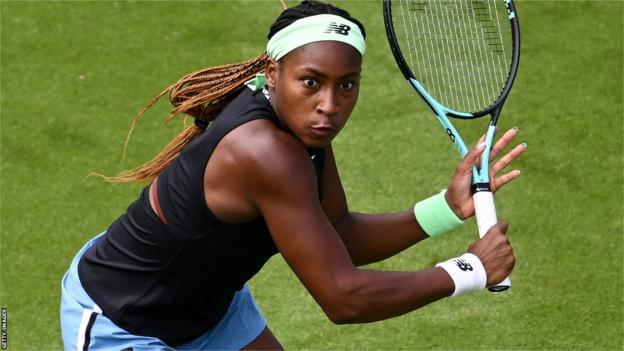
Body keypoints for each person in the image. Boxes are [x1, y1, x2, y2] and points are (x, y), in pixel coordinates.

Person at [60, 1, 525, 349]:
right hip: (123, 319)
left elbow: (339, 234)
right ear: (272, 72)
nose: (330, 105)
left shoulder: (304, 131)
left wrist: (445, 209)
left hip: (208, 308)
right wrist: (469, 270)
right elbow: (342, 298)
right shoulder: (264, 152)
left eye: (347, 84)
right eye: (312, 81)